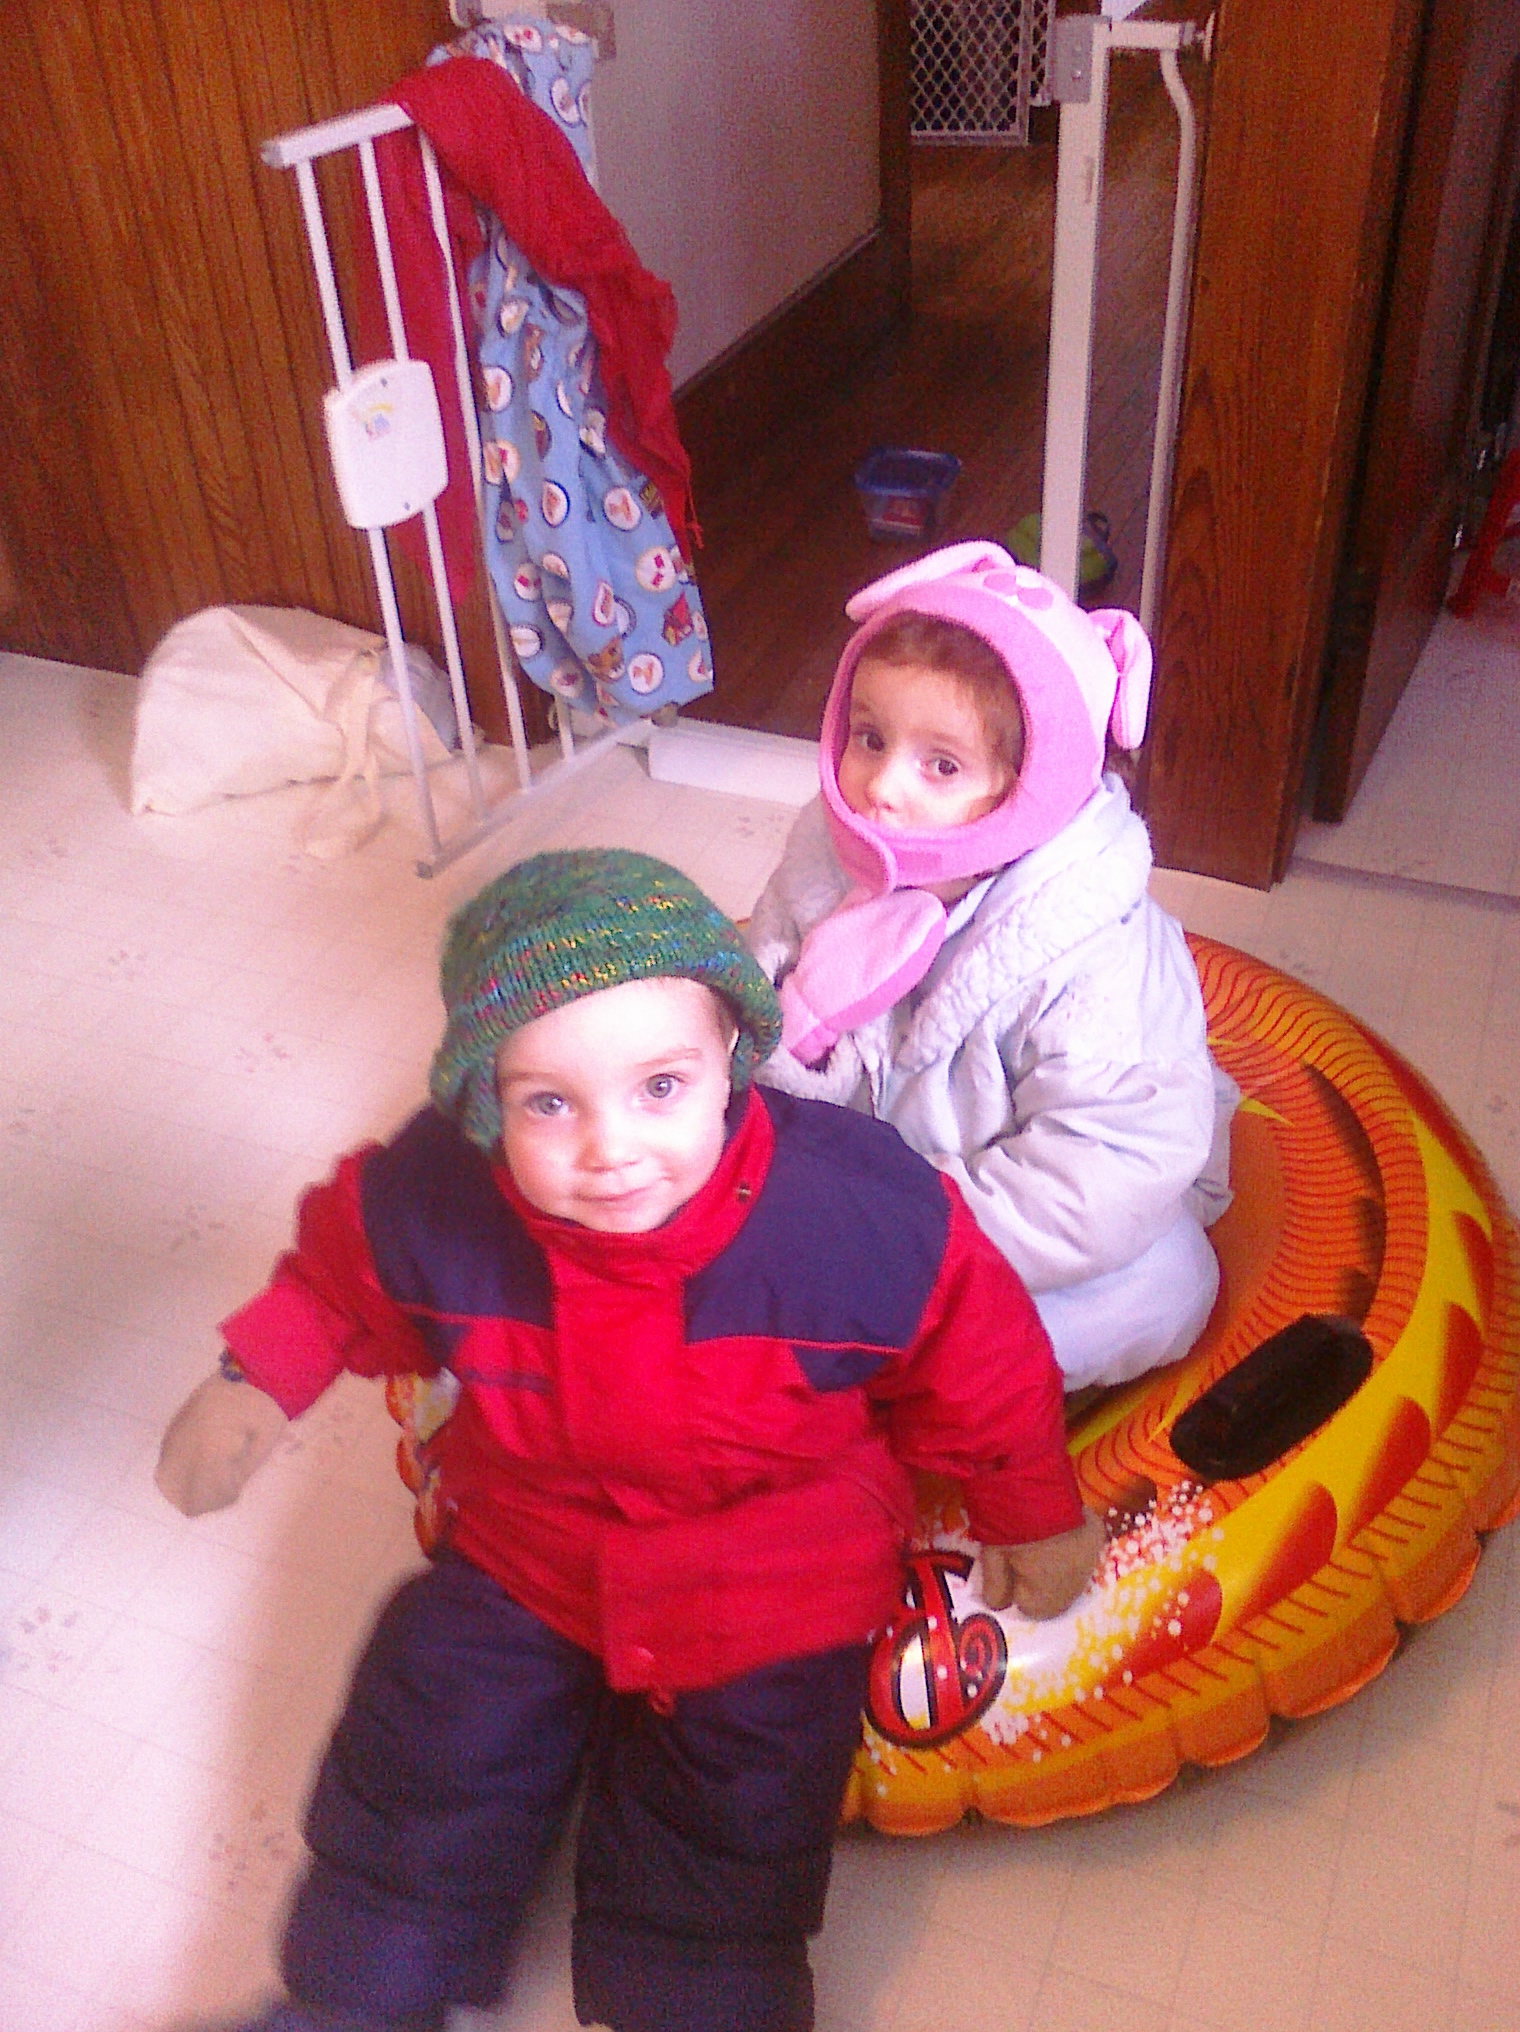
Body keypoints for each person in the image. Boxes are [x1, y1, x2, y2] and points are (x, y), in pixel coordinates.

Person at [155, 849, 1104, 2032]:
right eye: (548, 1103)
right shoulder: (440, 1192)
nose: (609, 1148)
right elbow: (343, 1272)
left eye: (659, 1086)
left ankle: (693, 1999)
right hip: (530, 1541)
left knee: (735, 1811)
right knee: (428, 1732)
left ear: (729, 1061)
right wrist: (254, 1379)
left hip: (770, 1572)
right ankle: (355, 1997)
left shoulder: (852, 1214)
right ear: (483, 1103)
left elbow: (979, 1349)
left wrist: (1031, 1507)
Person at [746, 541, 1236, 1396]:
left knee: (1168, 1285)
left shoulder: (1097, 951)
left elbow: (1099, 1177)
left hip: (1004, 1224)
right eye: (869, 738)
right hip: (855, 1191)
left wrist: (902, 1241)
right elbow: (747, 1040)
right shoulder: (820, 866)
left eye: (942, 765)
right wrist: (797, 1046)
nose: (881, 788)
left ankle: (891, 1369)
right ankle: (818, 1342)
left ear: (1032, 786)